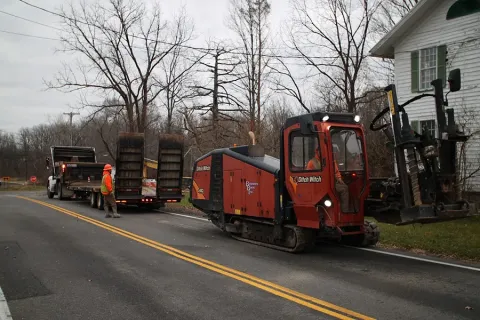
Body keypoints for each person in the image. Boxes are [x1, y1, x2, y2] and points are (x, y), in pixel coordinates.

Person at [307, 147, 349, 212]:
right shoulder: (312, 163)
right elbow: (308, 176)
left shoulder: (332, 161)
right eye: (319, 151)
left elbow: (336, 172)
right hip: (318, 186)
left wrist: (340, 180)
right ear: (316, 151)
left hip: (332, 184)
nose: (321, 152)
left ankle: (344, 211)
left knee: (344, 188)